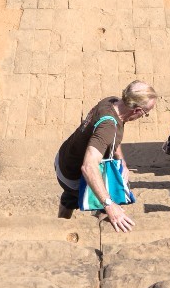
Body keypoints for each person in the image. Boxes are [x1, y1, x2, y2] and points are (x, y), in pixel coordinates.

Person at [55, 79, 156, 230]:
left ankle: (60, 224)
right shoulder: (108, 127)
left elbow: (113, 137)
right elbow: (89, 167)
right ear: (137, 110)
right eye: (145, 113)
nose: (143, 116)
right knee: (110, 209)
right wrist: (109, 205)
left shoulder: (112, 102)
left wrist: (122, 161)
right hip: (73, 176)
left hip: (64, 160)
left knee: (72, 196)